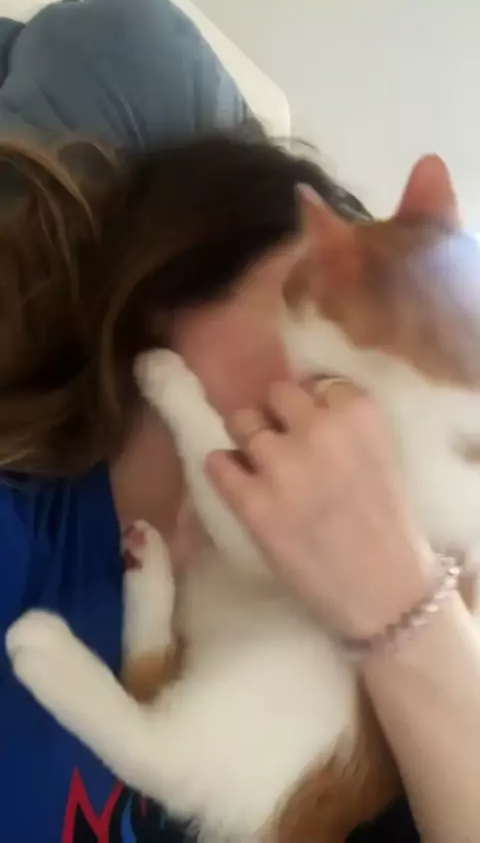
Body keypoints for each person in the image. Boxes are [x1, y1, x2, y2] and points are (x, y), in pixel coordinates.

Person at [6, 130, 478, 843]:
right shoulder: (26, 534)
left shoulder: (397, 679)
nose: (361, 403)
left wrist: (409, 613)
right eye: (312, 293)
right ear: (171, 297)